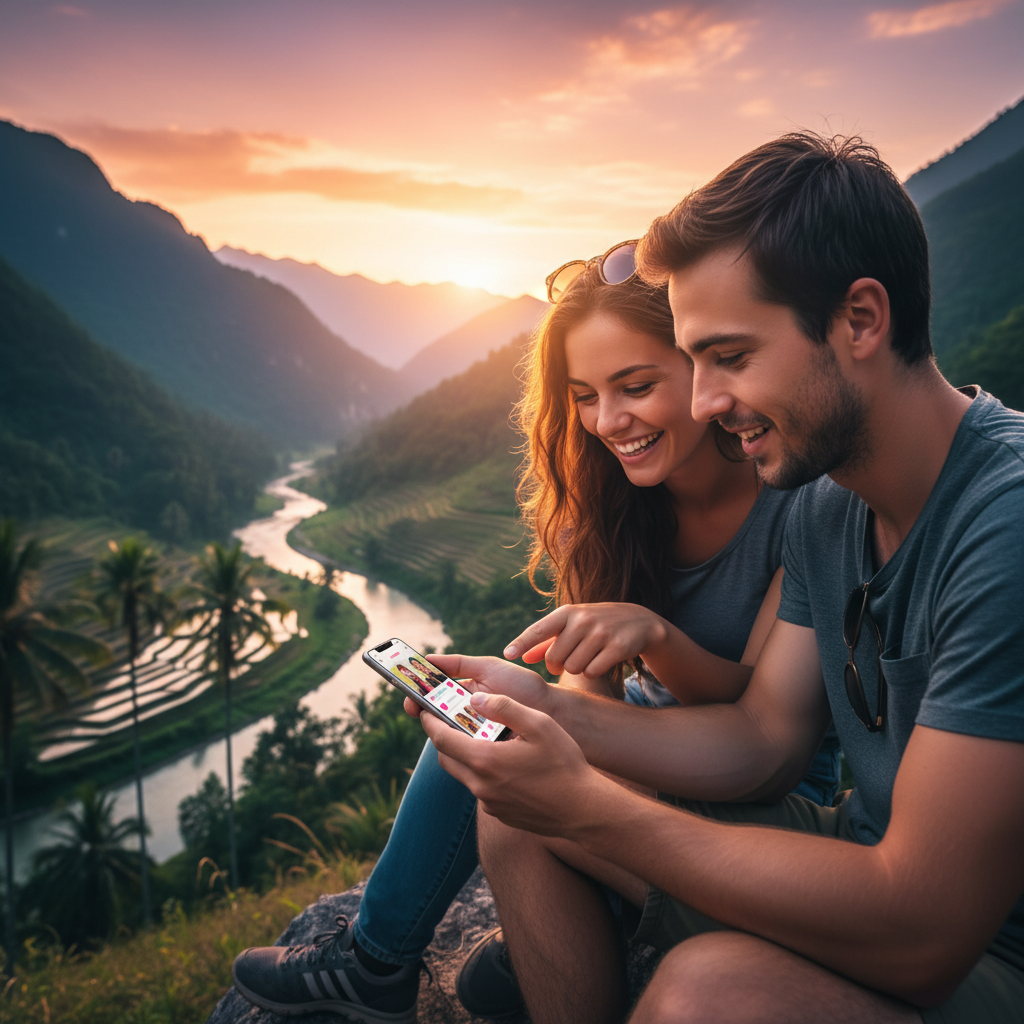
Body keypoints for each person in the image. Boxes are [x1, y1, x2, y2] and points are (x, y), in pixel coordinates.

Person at [422, 133, 1024, 1024]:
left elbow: (922, 929)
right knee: (522, 805)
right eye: (694, 360)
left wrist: (592, 807)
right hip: (868, 854)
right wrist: (549, 714)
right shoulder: (830, 506)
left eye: (731, 357)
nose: (703, 402)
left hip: (983, 947)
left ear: (861, 320)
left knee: (707, 992)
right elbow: (762, 739)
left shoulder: (1004, 522)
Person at [230, 241, 840, 1021]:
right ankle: (384, 959)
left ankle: (389, 958)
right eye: (584, 395)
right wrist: (556, 695)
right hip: (648, 751)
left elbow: (760, 717)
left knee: (513, 763)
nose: (608, 422)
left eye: (636, 386)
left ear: (700, 366)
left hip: (757, 788)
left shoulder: (791, 499)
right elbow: (591, 684)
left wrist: (652, 637)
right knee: (489, 728)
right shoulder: (620, 499)